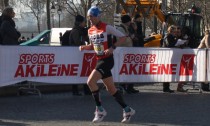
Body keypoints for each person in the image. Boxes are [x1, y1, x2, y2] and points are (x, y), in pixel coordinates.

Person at [79, 6, 135, 123]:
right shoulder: (90, 30)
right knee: (111, 89)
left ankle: (99, 110)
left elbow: (123, 37)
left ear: (98, 16)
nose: (90, 19)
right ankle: (127, 109)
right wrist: (85, 47)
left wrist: (112, 48)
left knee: (90, 82)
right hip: (99, 59)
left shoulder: (107, 27)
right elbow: (93, 46)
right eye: (89, 17)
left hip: (107, 60)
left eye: (92, 17)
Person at [63, 14, 91, 96]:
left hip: (80, 54)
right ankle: (75, 90)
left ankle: (85, 89)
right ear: (80, 23)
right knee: (77, 73)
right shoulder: (76, 31)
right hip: (76, 54)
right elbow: (78, 42)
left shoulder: (80, 31)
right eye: (83, 22)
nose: (84, 24)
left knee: (83, 72)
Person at [117, 14, 139, 94]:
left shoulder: (126, 28)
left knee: (130, 69)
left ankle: (129, 86)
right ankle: (123, 86)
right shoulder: (121, 29)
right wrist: (130, 37)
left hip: (128, 51)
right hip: (124, 52)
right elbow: (121, 39)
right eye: (129, 21)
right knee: (125, 69)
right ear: (127, 21)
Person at [162, 25, 177, 93]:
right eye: (173, 31)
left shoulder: (170, 36)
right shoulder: (168, 36)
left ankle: (166, 87)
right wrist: (176, 42)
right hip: (167, 56)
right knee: (167, 72)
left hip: (168, 55)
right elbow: (169, 45)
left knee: (168, 72)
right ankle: (166, 87)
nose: (174, 32)